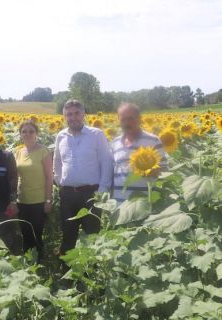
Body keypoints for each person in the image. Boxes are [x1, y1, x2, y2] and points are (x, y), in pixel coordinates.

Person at [53, 100, 113, 256]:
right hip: (67, 194)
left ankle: (90, 274)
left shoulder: (96, 134)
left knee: (91, 235)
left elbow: (106, 161)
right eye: (69, 114)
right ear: (65, 116)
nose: (73, 117)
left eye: (76, 113)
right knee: (68, 234)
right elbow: (57, 160)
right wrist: (59, 180)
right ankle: (68, 272)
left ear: (83, 114)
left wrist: (103, 189)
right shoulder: (61, 136)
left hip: (91, 194)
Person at [112, 102, 168, 202]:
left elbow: (164, 172)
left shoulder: (153, 141)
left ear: (139, 119)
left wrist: (147, 170)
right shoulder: (115, 143)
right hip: (119, 205)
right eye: (123, 119)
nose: (126, 123)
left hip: (146, 203)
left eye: (130, 118)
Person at [14, 120, 53, 263]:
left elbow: (50, 177)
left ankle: (39, 263)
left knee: (37, 233)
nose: (27, 134)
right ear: (20, 134)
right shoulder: (18, 152)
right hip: (22, 199)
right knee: (25, 233)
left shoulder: (43, 151)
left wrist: (48, 200)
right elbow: (16, 176)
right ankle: (28, 263)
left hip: (39, 200)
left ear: (36, 134)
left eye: (31, 131)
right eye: (24, 131)